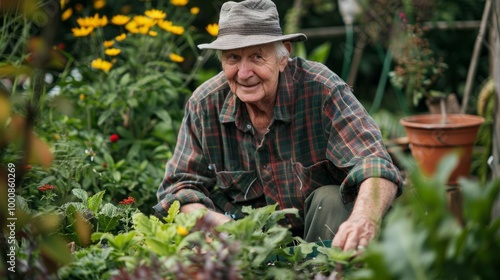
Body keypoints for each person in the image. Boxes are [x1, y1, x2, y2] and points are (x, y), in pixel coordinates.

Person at [154, 0, 403, 252]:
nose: (243, 72)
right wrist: (212, 221)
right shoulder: (205, 104)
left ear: (283, 55)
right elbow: (179, 185)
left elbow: (374, 164)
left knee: (330, 199)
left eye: (256, 56)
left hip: (324, 236)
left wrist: (364, 219)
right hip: (246, 244)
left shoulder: (322, 89)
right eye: (233, 58)